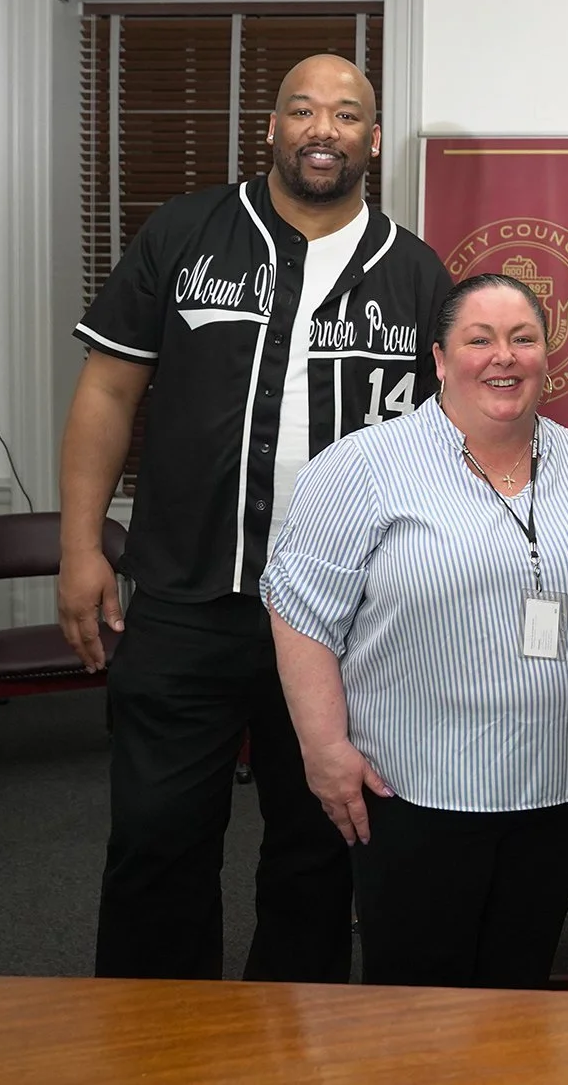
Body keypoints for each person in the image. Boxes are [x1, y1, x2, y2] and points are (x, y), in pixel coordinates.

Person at [57, 53, 450, 981]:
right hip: (188, 599)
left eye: (347, 114)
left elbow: (449, 444)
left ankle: (289, 1045)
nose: (325, 129)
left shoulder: (419, 273)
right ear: (270, 129)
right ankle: (153, 1041)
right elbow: (109, 390)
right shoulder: (187, 233)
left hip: (341, 620)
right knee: (157, 837)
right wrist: (80, 546)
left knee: (317, 846)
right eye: (304, 110)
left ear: (374, 139)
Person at [260, 274, 568, 989]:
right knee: (417, 1000)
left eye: (522, 338)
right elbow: (300, 611)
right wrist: (324, 748)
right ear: (440, 358)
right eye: (478, 339)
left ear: (547, 355)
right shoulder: (362, 466)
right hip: (415, 791)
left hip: (557, 787)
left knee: (520, 985)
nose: (503, 357)